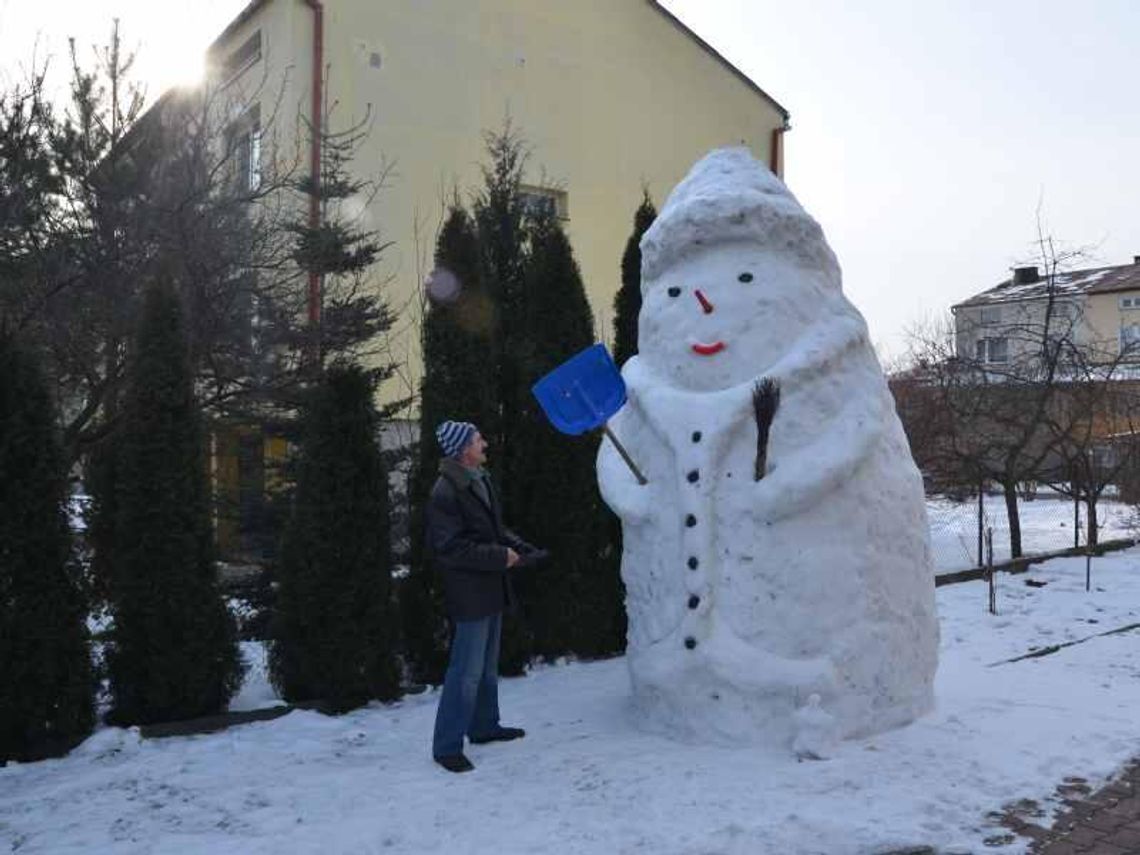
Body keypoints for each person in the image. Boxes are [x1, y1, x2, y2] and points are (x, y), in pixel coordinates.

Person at [426, 420, 547, 773]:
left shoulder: (480, 479)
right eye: (479, 439)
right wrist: (499, 557)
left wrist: (520, 547)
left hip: (491, 587)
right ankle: (447, 746)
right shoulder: (445, 491)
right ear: (464, 449)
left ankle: (483, 727)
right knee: (465, 670)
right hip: (470, 593)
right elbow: (450, 548)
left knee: (485, 666)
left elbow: (494, 529)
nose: (485, 444)